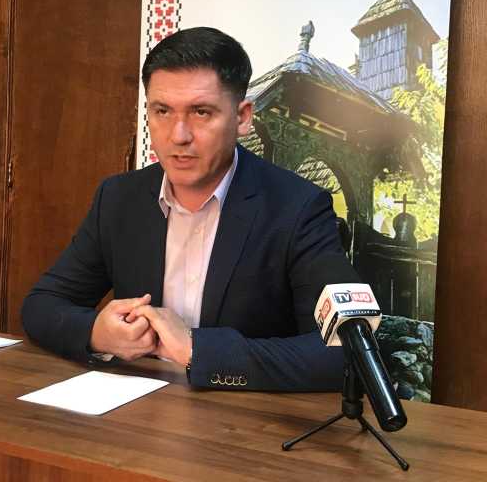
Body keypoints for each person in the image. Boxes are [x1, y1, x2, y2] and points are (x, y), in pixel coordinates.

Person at [22, 27, 349, 391]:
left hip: (242, 414)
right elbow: (42, 304)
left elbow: (343, 352)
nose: (178, 135)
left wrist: (197, 349)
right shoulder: (119, 198)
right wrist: (96, 333)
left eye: (201, 112)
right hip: (135, 407)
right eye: (162, 111)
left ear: (242, 117)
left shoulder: (298, 208)